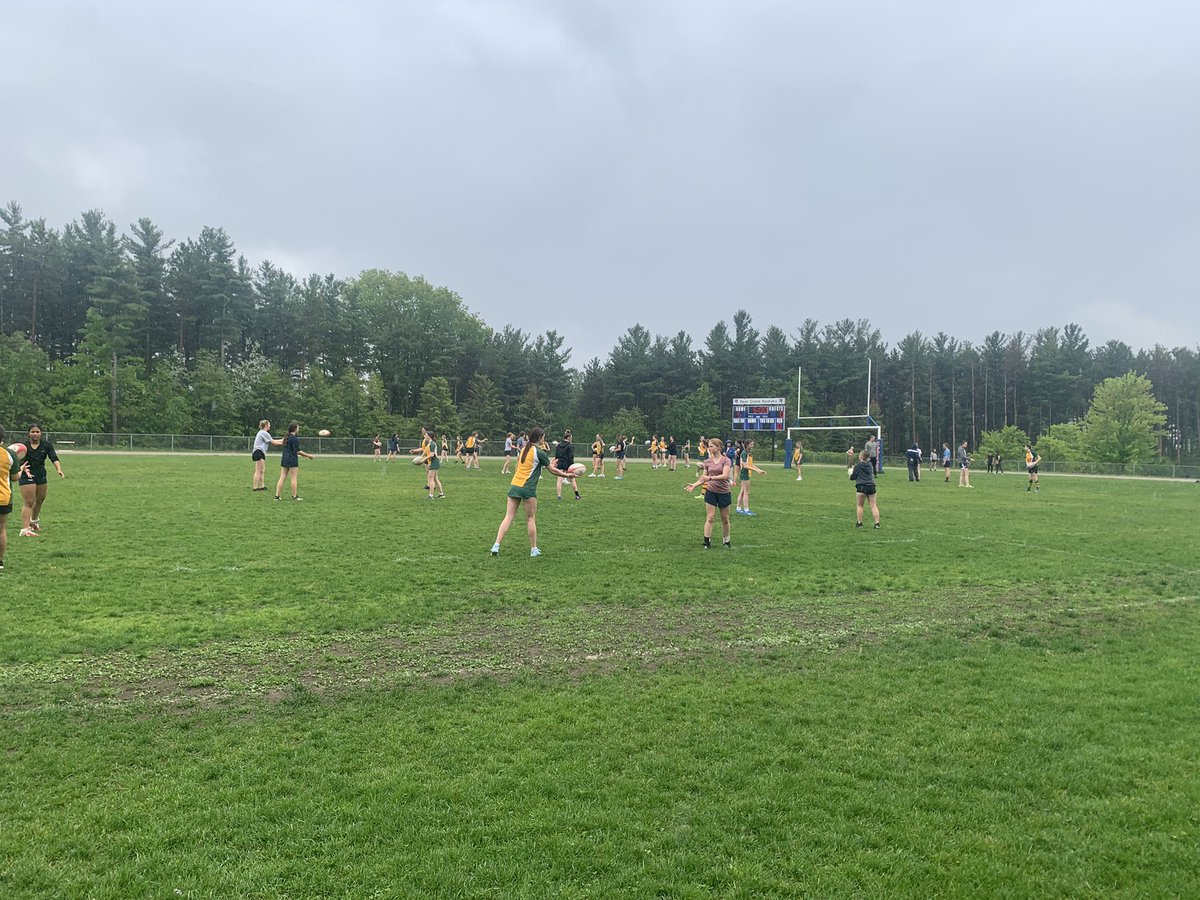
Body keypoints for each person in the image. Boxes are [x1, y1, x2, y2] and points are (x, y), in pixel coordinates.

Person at [490, 426, 571, 558]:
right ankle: (533, 549)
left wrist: (549, 463)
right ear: (539, 438)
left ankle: (496, 545)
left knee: (508, 517)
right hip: (527, 488)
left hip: (514, 485)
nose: (544, 439)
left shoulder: (523, 450)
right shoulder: (539, 452)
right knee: (530, 518)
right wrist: (568, 476)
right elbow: (553, 471)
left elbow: (531, 466)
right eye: (543, 437)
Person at [17, 425, 66, 536]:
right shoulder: (23, 446)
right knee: (29, 501)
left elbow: (54, 457)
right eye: (32, 432)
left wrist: (59, 469)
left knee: (40, 499)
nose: (35, 434)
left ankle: (33, 521)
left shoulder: (46, 445)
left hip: (41, 475)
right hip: (26, 474)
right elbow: (16, 459)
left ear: (41, 433)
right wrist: (21, 469)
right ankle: (25, 529)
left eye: (37, 431)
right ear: (28, 433)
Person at [686, 437, 734, 548]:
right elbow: (704, 477)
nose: (709, 448)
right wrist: (694, 485)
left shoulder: (726, 460)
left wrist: (710, 478)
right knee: (710, 517)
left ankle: (726, 541)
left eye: (711, 446)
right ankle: (707, 541)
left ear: (718, 447)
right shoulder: (707, 461)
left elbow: (725, 476)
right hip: (711, 491)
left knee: (725, 519)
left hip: (724, 492)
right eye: (709, 446)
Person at [274, 422, 315, 500]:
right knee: (293, 478)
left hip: (285, 459)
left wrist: (304, 456)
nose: (299, 429)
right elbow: (297, 451)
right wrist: (309, 455)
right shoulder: (294, 438)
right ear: (295, 429)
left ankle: (277, 496)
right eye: (298, 428)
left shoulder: (287, 437)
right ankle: (294, 496)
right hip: (292, 460)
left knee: (282, 477)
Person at [850, 449, 881, 528]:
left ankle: (859, 523)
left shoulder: (858, 465)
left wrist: (851, 474)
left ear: (861, 456)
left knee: (860, 505)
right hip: (871, 485)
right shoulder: (870, 465)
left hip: (861, 486)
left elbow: (853, 477)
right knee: (873, 505)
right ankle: (877, 523)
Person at [1, 427, 17, 571]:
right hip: (3, 498)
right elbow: (15, 477)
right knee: (1, 530)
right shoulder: (9, 454)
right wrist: (22, 469)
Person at [735, 439, 766, 515]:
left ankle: (738, 508)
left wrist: (758, 469)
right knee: (746, 492)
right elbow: (745, 466)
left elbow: (750, 464)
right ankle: (746, 510)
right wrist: (756, 470)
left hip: (745, 474)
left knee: (742, 491)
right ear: (747, 445)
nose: (752, 446)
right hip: (744, 474)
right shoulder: (744, 453)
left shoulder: (747, 453)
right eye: (751, 444)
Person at [252, 420, 284, 491]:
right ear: (266, 425)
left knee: (262, 470)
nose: (270, 426)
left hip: (261, 452)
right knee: (258, 470)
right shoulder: (263, 432)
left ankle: (261, 486)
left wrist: (283, 440)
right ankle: (255, 487)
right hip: (258, 452)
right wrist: (283, 442)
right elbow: (274, 443)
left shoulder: (263, 433)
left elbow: (273, 440)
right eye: (269, 424)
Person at [554, 429, 581, 500]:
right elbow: (570, 457)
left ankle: (559, 496)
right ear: (569, 438)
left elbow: (556, 456)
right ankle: (577, 495)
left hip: (560, 463)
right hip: (568, 464)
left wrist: (557, 462)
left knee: (559, 480)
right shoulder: (570, 446)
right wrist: (572, 466)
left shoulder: (558, 445)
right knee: (572, 479)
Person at [422, 429, 445, 498]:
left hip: (434, 462)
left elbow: (432, 455)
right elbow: (425, 452)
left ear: (429, 436)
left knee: (431, 478)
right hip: (434, 462)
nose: (424, 436)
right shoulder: (430, 444)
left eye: (426, 435)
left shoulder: (432, 444)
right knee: (435, 478)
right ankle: (441, 494)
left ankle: (431, 495)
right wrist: (421, 457)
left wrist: (424, 459)